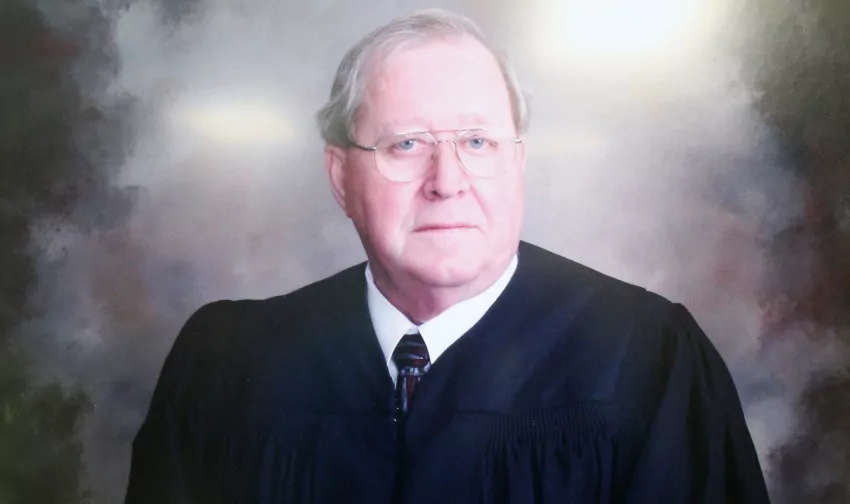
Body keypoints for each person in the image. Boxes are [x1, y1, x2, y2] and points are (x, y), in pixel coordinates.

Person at [125, 8, 771, 504]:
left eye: (478, 142)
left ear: (518, 161)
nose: (447, 181)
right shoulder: (228, 366)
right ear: (341, 176)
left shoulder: (646, 362)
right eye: (406, 144)